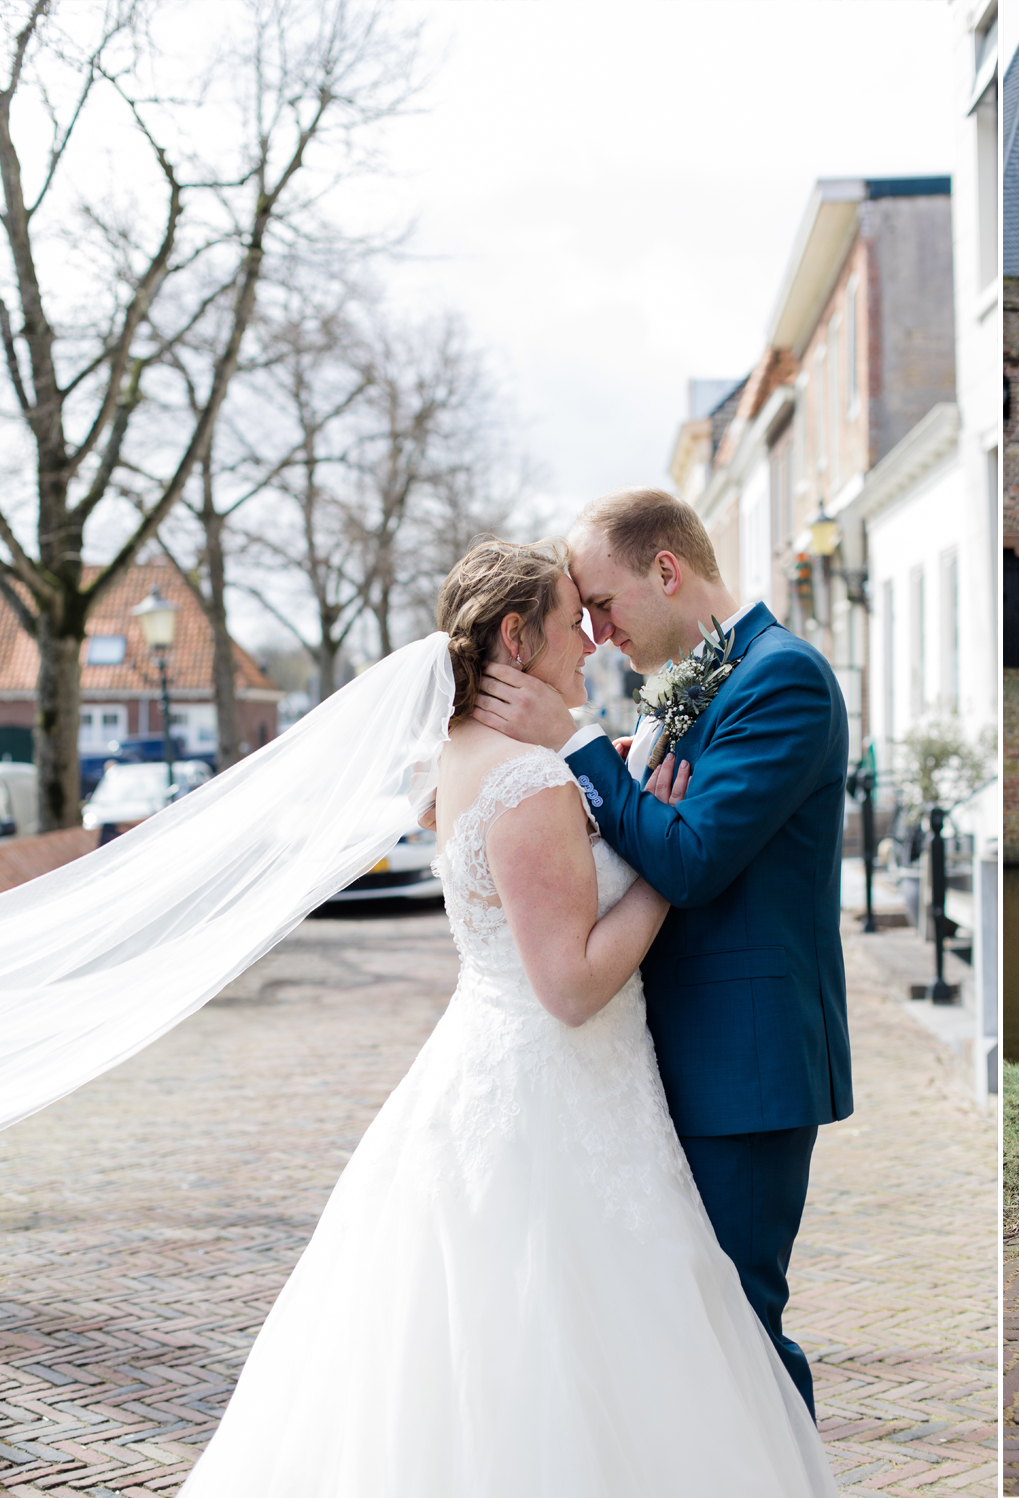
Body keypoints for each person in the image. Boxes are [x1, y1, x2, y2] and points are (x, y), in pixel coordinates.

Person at [175, 540, 836, 1495]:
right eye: (574, 620)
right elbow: (570, 987)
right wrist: (658, 870)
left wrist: (605, 780)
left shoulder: (476, 759)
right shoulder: (529, 781)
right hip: (556, 1091)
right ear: (518, 639)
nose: (593, 641)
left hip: (540, 1078)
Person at [470, 488, 851, 1417]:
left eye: (602, 603)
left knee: (740, 1337)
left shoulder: (783, 681)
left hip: (743, 1068)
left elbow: (690, 859)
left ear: (667, 571)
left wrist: (573, 746)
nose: (597, 633)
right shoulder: (703, 680)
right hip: (658, 1065)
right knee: (686, 1339)